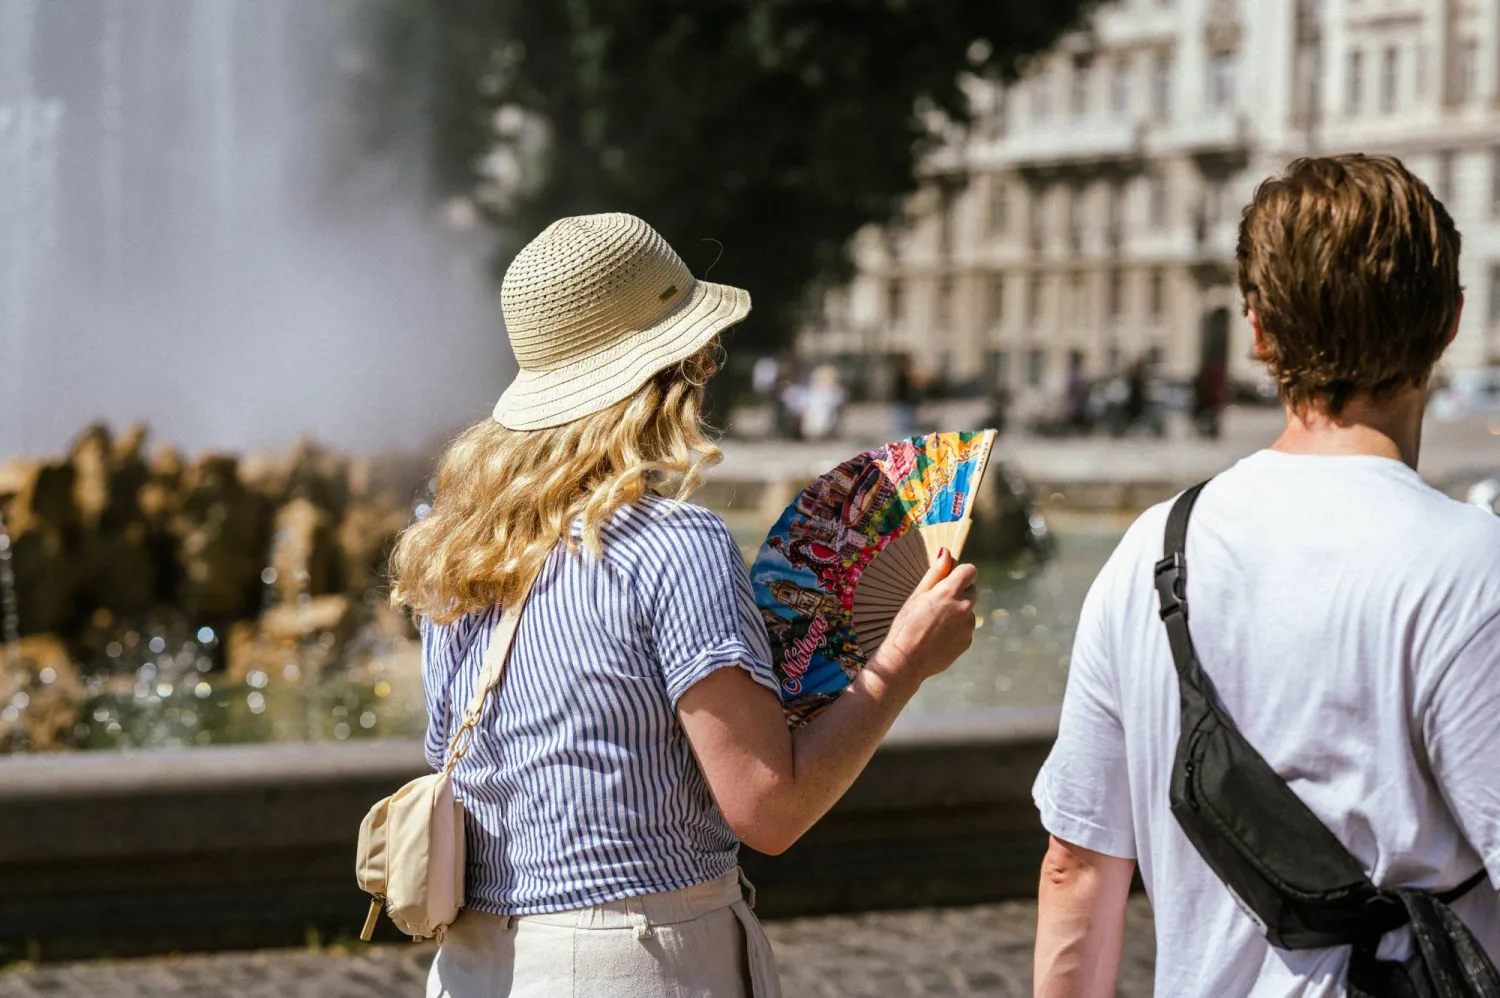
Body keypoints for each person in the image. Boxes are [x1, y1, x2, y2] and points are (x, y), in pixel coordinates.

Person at [388, 213, 978, 998]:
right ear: (669, 371)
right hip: (635, 961)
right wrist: (904, 659)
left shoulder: (451, 545)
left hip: (471, 967)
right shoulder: (673, 544)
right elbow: (768, 811)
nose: (709, 370)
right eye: (702, 354)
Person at [1032, 155, 1500, 996]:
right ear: (1452, 321)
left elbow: (1077, 866)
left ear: (1258, 331)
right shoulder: (1472, 570)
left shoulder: (1149, 551)